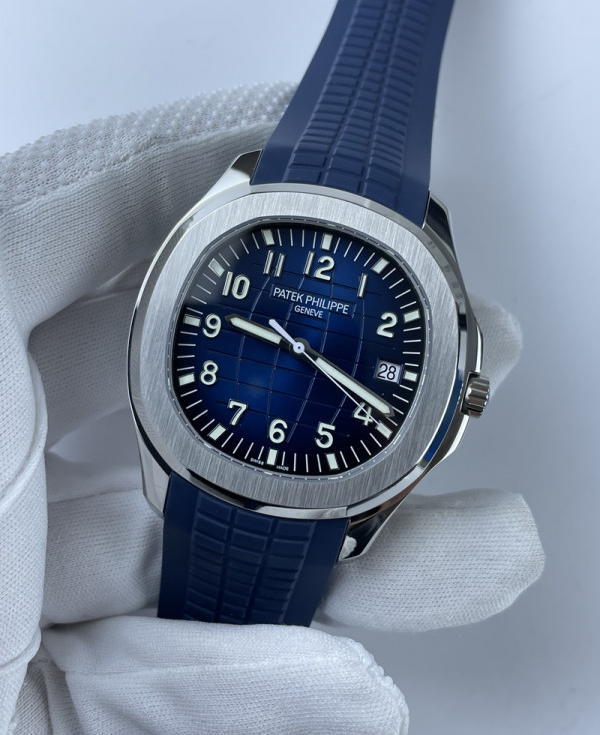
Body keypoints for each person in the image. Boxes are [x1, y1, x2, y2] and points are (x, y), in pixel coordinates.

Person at [0, 85, 544, 734]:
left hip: (301, 492)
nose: (299, 348)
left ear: (462, 395)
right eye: (293, 343)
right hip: (196, 463)